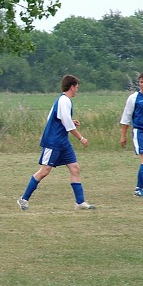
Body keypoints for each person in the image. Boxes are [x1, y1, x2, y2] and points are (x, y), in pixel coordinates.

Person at [17, 74, 96, 210]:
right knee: (44, 171)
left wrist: (71, 121)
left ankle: (80, 202)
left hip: (63, 143)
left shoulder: (63, 101)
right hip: (54, 142)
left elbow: (59, 119)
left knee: (75, 168)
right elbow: (66, 124)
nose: (77, 90)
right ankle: (23, 199)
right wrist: (81, 138)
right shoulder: (64, 101)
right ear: (72, 87)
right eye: (76, 87)